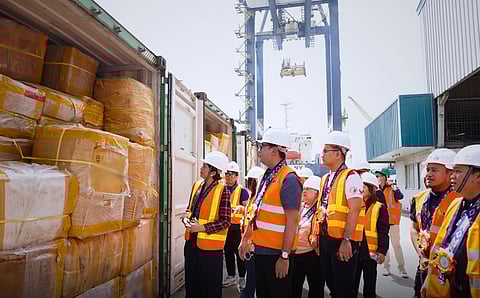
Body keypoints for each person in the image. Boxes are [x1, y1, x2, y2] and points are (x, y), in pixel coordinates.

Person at [239, 127, 302, 298]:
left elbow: (292, 222)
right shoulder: (266, 177)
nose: (259, 151)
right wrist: (246, 239)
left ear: (275, 150)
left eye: (263, 147)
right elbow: (256, 213)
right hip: (261, 251)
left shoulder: (289, 179)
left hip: (276, 254)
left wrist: (284, 256)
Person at [310, 131, 365, 298]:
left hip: (342, 241)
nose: (322, 154)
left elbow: (355, 209)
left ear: (338, 153)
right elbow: (320, 209)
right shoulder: (325, 178)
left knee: (344, 288)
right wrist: (316, 236)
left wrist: (346, 240)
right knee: (332, 286)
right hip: (327, 239)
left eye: (326, 151)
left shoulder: (351, 177)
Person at [423, 145, 480, 298]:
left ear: (478, 176)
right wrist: (430, 280)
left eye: (458, 171)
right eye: (452, 171)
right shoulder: (455, 204)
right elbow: (441, 244)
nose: (452, 176)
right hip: (450, 288)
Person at [409, 149, 460, 298]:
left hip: (448, 271)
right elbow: (413, 228)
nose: (429, 174)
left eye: (435, 170)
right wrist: (421, 255)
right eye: (428, 169)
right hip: (424, 265)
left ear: (450, 173)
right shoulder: (419, 198)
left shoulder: (460, 200)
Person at [182, 151, 231, 298]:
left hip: (210, 250)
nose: (201, 168)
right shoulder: (197, 185)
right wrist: (185, 218)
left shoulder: (223, 191)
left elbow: (226, 221)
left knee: (209, 288)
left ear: (213, 172)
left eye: (205, 166)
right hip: (191, 243)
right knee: (191, 285)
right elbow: (190, 209)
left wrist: (201, 227)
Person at [354, 172, 389, 298]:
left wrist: (382, 251)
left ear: (372, 188)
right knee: (352, 285)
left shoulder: (379, 207)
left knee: (369, 286)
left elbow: (383, 231)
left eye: (363, 186)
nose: (360, 189)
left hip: (370, 253)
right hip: (354, 250)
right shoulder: (354, 204)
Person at [292, 175, 325, 298]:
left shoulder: (320, 210)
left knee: (316, 289)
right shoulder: (300, 207)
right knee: (294, 288)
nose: (304, 191)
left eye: (308, 189)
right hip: (296, 253)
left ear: (317, 194)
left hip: (312, 255)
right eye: (304, 188)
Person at [375, 168, 408, 278]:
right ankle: (386, 267)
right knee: (385, 246)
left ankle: (401, 268)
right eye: (376, 176)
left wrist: (394, 188)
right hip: (381, 222)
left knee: (396, 244)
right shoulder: (375, 189)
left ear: (385, 177)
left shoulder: (392, 188)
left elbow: (400, 196)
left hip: (393, 222)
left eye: (379, 175)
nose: (377, 178)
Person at [223, 161, 250, 290]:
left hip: (237, 228)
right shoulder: (221, 189)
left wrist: (241, 208)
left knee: (239, 253)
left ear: (237, 176)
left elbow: (247, 209)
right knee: (227, 252)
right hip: (225, 227)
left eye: (232, 174)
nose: (229, 176)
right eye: (227, 174)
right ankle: (231, 276)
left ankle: (242, 277)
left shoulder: (242, 191)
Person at [238, 166, 263, 298]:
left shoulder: (257, 200)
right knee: (251, 280)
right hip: (249, 246)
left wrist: (249, 243)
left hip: (253, 247)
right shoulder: (252, 199)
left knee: (252, 282)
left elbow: (255, 224)